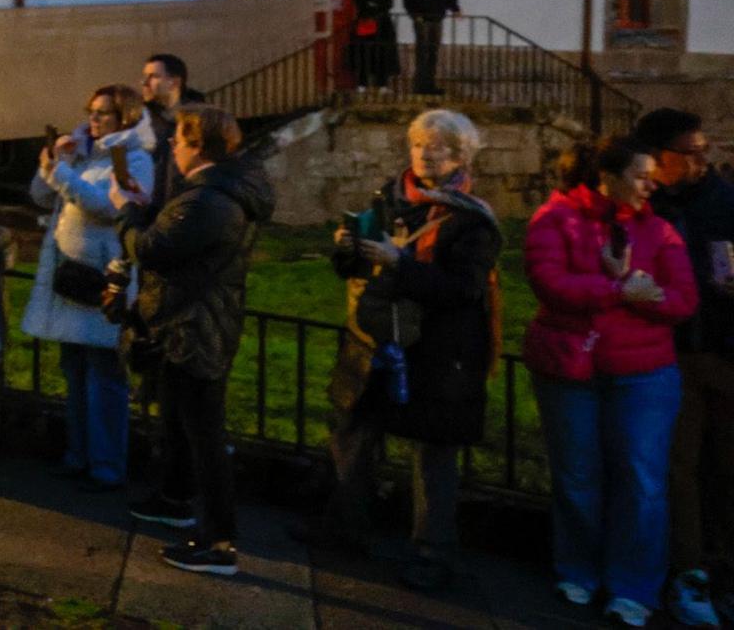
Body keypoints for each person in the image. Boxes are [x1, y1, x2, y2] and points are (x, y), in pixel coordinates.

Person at [302, 109, 502, 592]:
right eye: (419, 144)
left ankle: (432, 553)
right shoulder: (391, 198)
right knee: (354, 431)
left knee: (433, 454)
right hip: (379, 338)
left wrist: (400, 264)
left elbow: (464, 289)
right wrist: (349, 247)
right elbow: (351, 269)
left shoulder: (473, 219)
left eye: (440, 147)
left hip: (439, 348)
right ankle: (345, 528)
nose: (426, 154)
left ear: (461, 156)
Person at [526, 137, 698, 628]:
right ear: (608, 177)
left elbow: (683, 300)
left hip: (642, 374)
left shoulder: (661, 231)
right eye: (641, 175)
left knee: (641, 482)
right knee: (577, 476)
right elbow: (549, 283)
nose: (651, 184)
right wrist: (621, 288)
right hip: (569, 369)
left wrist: (643, 296)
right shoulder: (555, 219)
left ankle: (634, 587)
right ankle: (578, 570)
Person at [118, 105, 274, 577]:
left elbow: (152, 250)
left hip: (194, 330)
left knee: (204, 436)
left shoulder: (207, 200)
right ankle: (178, 501)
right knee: (186, 427)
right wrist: (147, 209)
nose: (173, 148)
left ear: (197, 147)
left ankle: (218, 542)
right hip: (195, 324)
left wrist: (127, 214)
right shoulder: (215, 192)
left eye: (178, 141)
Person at [21, 83, 155, 491]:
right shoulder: (83, 151)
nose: (92, 120)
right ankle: (77, 454)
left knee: (104, 378)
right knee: (75, 372)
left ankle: (107, 465)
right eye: (91, 112)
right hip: (71, 277)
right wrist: (55, 163)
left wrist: (61, 174)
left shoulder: (133, 157)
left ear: (124, 118)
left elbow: (108, 206)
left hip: (102, 281)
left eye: (103, 114)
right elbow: (41, 197)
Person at [636, 108, 734, 628]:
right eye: (689, 152)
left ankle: (724, 570)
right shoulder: (646, 207)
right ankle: (690, 572)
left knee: (726, 466)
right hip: (670, 355)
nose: (701, 161)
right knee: (681, 468)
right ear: (658, 158)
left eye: (703, 150)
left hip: (723, 351)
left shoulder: (725, 203)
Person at [139, 52, 205, 213]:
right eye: (144, 76)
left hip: (188, 206)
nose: (144, 83)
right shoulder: (140, 120)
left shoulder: (200, 120)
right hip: (147, 207)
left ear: (174, 82)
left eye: (153, 76)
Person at [402, 0, 461, 96]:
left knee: (433, 52)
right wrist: (415, 15)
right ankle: (419, 86)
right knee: (422, 52)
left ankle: (430, 86)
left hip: (437, 18)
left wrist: (455, 9)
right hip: (421, 19)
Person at [345, 0, 399, 92]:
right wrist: (374, 6)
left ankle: (382, 84)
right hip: (366, 24)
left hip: (383, 26)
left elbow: (388, 3)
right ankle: (362, 84)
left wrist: (374, 6)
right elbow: (362, 4)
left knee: (382, 55)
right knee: (364, 54)